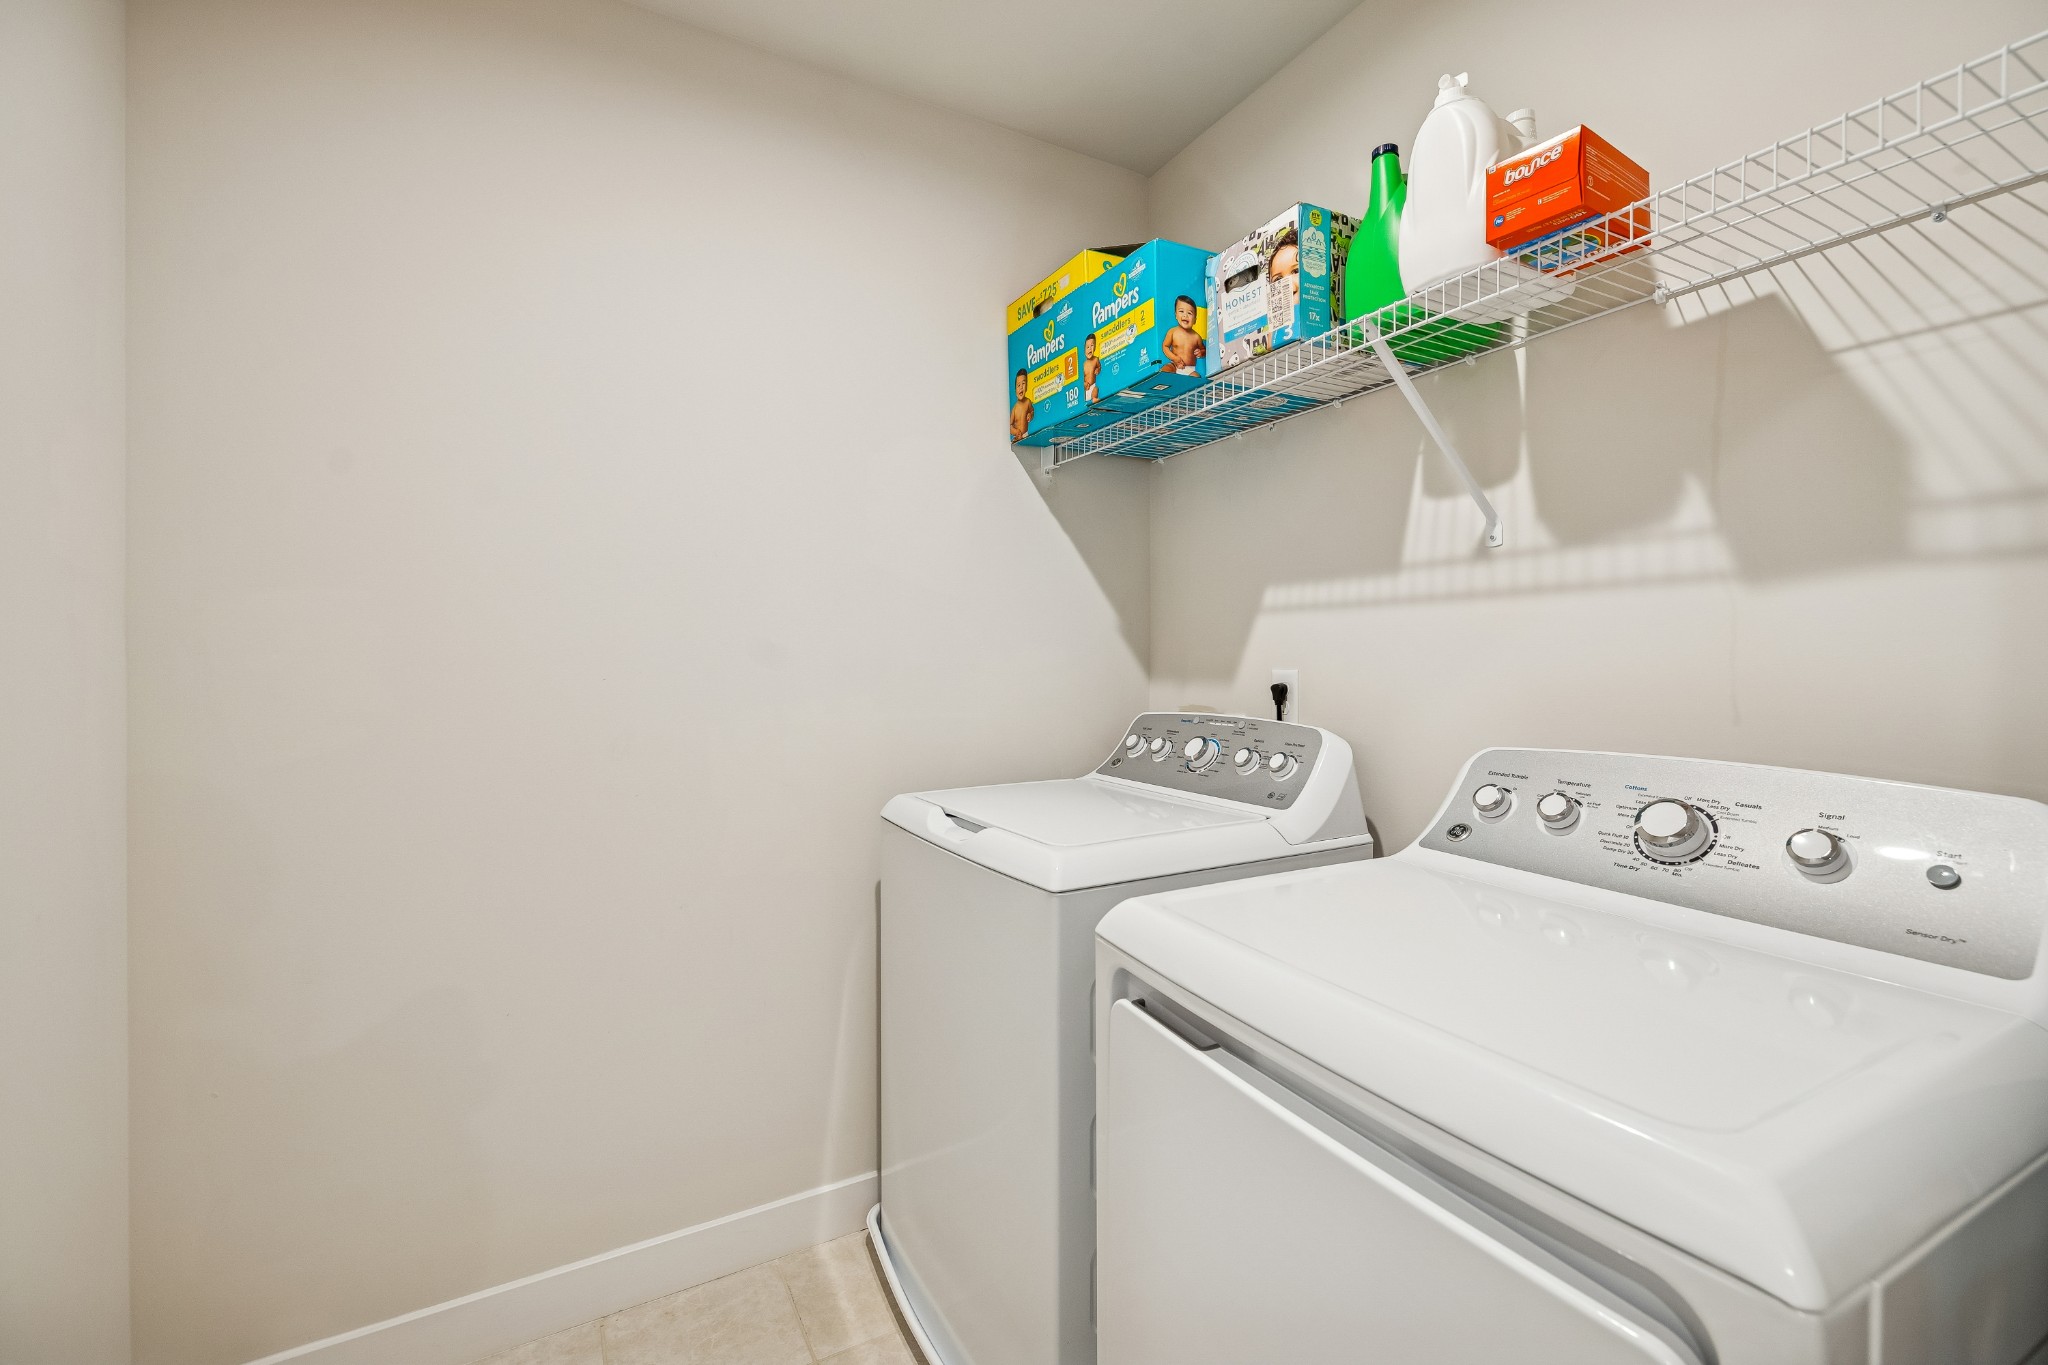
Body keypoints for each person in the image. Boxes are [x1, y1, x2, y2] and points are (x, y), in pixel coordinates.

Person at [1161, 295, 1206, 376]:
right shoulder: (1172, 332)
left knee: (1196, 376)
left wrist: (1201, 353)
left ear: (1195, 319)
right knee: (1165, 369)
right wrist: (1174, 358)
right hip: (1175, 365)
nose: (1185, 315)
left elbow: (1204, 350)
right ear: (1176, 315)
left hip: (1190, 369)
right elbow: (1165, 346)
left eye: (1189, 313)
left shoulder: (1196, 337)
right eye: (1181, 311)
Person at [1009, 368, 1034, 442]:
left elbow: (1032, 411)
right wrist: (1015, 432)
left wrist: (1031, 415)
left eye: (1023, 384)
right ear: (1015, 390)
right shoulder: (1014, 409)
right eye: (1018, 385)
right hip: (1017, 437)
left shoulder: (1028, 402)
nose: (1021, 387)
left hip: (1026, 434)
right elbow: (1009, 426)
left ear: (1026, 387)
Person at [1082, 333, 1101, 403]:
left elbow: (1099, 366)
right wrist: (1084, 384)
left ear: (1095, 347)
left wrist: (1098, 369)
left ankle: (1094, 398)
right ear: (1084, 349)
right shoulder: (1084, 364)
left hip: (1093, 386)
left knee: (1096, 389)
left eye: (1092, 346)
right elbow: (1082, 378)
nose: (1090, 348)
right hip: (1086, 388)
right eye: (1087, 347)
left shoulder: (1096, 359)